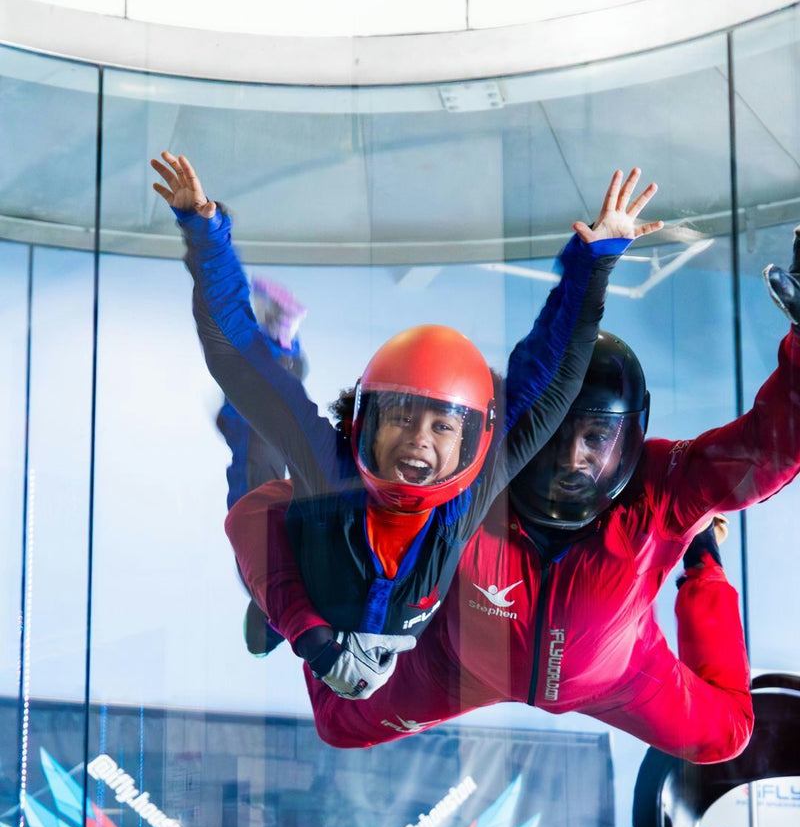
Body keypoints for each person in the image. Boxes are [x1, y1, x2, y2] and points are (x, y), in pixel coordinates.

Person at [245, 235, 800, 761]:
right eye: (557, 435)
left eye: (596, 438)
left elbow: (768, 451)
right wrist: (304, 613)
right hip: (456, 663)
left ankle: (703, 556)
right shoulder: (470, 472)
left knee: (726, 736)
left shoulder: (665, 484)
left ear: (630, 434)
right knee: (338, 723)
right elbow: (277, 510)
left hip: (618, 673)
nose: (571, 458)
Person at [152, 151, 661, 700]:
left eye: (443, 426)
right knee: (254, 471)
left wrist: (596, 259)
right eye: (401, 416)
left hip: (353, 627)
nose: (419, 437)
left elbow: (551, 376)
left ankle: (282, 351)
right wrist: (206, 235)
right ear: (365, 421)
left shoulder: (473, 485)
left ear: (473, 439)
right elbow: (234, 358)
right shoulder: (334, 468)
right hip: (301, 575)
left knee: (259, 476)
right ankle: (281, 352)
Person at [217, 277, 308, 657]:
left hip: (264, 484)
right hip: (258, 487)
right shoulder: (262, 588)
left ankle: (279, 338)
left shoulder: (272, 588)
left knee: (239, 415)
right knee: (250, 413)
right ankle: (282, 337)